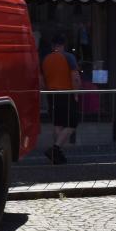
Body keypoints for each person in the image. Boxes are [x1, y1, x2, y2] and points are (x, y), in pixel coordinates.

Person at [41, 34, 81, 163]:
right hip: (66, 93)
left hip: (52, 94)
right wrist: (76, 93)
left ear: (53, 46)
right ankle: (56, 149)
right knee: (72, 122)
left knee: (58, 123)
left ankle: (57, 155)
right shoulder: (68, 57)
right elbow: (75, 77)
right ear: (63, 45)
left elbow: (41, 80)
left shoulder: (46, 59)